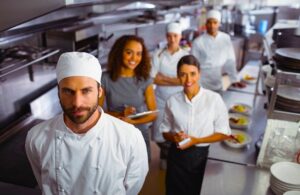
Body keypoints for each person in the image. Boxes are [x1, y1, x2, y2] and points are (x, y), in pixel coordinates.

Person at [25, 52, 148, 195]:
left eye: (86, 91)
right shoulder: (36, 138)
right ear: (58, 92)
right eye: (68, 91)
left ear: (99, 91)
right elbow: (43, 183)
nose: (77, 103)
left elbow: (132, 188)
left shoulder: (129, 137)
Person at [160, 55, 231, 195]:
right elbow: (164, 131)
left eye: (192, 74)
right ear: (178, 76)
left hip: (202, 157)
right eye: (183, 75)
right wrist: (174, 137)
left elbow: (224, 133)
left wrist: (197, 140)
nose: (188, 80)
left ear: (199, 73)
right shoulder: (172, 101)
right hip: (177, 157)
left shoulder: (214, 99)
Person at [99, 35, 157, 161]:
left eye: (138, 54)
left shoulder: (145, 79)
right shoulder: (105, 79)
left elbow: (153, 114)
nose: (134, 58)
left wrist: (133, 121)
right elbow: (97, 112)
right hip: (115, 133)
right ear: (119, 52)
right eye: (129, 52)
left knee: (138, 173)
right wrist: (120, 114)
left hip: (139, 134)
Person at [150, 22, 189, 168]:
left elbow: (185, 80)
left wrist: (164, 78)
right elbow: (153, 78)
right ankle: (165, 152)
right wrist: (176, 80)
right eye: (169, 36)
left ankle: (171, 156)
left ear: (180, 36)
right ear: (166, 36)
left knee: (177, 131)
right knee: (159, 133)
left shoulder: (186, 55)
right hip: (160, 100)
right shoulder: (158, 54)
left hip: (179, 100)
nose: (172, 39)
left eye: (175, 36)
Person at [191, 9, 245, 94]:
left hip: (217, 81)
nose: (212, 25)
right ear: (206, 24)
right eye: (209, 22)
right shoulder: (198, 42)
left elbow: (230, 61)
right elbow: (192, 66)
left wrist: (234, 79)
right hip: (201, 82)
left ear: (219, 24)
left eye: (215, 22)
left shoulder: (225, 38)